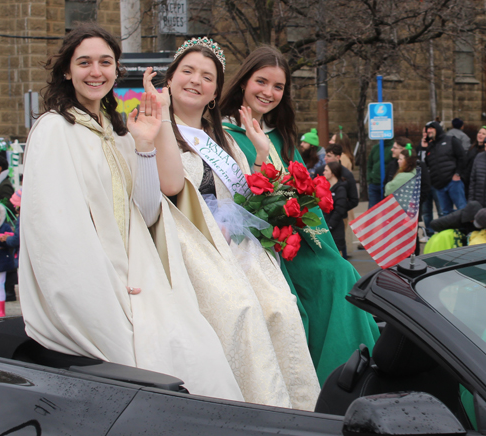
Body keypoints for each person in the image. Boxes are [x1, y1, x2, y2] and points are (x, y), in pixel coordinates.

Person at [19, 24, 243, 401]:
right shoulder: (54, 129)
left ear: (116, 70)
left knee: (199, 354)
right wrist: (106, 284)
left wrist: (143, 146)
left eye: (105, 62)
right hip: (92, 285)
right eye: (84, 62)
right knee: (141, 376)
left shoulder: (120, 132)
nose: (96, 72)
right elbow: (54, 230)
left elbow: (148, 210)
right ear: (66, 71)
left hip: (139, 275)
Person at [144, 37, 319, 410]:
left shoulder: (220, 138)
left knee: (281, 308)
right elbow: (172, 186)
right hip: (193, 244)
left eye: (207, 76)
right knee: (240, 311)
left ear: (215, 92)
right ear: (170, 79)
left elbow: (249, 195)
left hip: (239, 245)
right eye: (187, 71)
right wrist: (161, 115)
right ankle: (251, 411)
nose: (196, 81)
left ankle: (297, 410)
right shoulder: (157, 127)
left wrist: (258, 153)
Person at [219, 45, 379, 385]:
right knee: (327, 283)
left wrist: (326, 248)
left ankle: (351, 378)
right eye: (261, 82)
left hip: (297, 242)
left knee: (340, 272)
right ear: (244, 81)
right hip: (257, 243)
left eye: (278, 87)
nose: (269, 92)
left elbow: (302, 194)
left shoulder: (282, 134)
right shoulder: (221, 133)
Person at [314, 143, 358, 258]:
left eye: (328, 156)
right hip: (322, 216)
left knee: (338, 242)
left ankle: (343, 258)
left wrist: (339, 207)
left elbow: (354, 200)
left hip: (339, 217)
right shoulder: (320, 170)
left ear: (338, 157)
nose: (325, 158)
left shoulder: (346, 176)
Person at [422, 121, 466, 216]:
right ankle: (450, 231)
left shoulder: (451, 140)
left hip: (453, 182)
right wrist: (424, 148)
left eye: (431, 128)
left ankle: (467, 230)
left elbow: (462, 157)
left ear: (437, 129)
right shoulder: (430, 146)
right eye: (427, 129)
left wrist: (457, 174)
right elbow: (426, 164)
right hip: (439, 186)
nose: (428, 131)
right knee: (445, 213)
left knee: (462, 209)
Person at [323, 162, 348, 254]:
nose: (323, 172)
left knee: (337, 255)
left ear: (333, 173)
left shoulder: (340, 189)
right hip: (327, 227)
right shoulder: (326, 187)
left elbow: (339, 210)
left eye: (326, 170)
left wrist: (329, 226)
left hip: (335, 229)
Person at [367, 141, 393, 208]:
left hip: (388, 185)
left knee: (388, 210)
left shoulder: (393, 149)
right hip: (374, 184)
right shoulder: (375, 148)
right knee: (372, 211)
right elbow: (369, 164)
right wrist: (370, 178)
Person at [463, 126, 486, 196]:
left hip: (477, 187)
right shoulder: (472, 147)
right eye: (479, 133)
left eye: (483, 134)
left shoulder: (483, 153)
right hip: (466, 183)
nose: (480, 135)